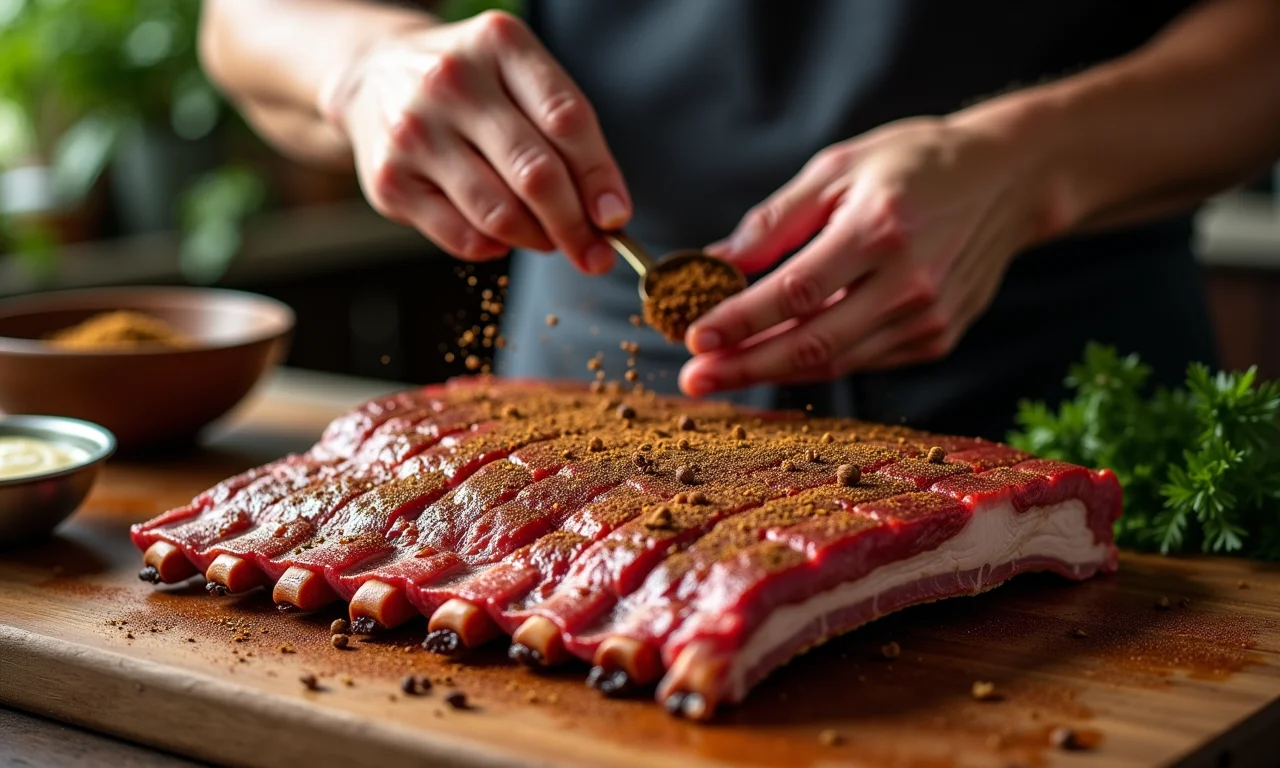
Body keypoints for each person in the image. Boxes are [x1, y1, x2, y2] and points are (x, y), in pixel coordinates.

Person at [199, 0, 1280, 439]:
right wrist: (362, 68)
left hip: (1056, 379)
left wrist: (1026, 162)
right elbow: (242, 19)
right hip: (590, 387)